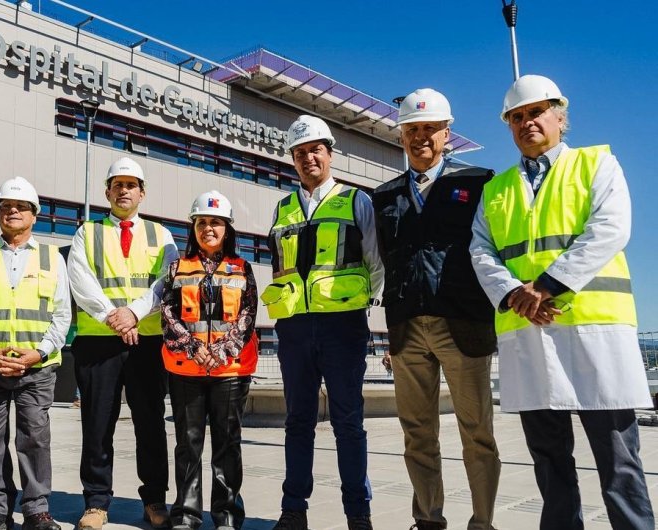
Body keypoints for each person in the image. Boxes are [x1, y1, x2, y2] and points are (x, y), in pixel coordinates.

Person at [470, 74, 655, 529]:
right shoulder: (496, 189)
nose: (526, 123)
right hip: (529, 335)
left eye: (535, 112)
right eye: (516, 117)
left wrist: (545, 286)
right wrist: (513, 293)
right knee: (549, 463)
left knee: (619, 461)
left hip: (595, 332)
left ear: (559, 116)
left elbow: (610, 229)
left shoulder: (597, 164)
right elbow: (481, 250)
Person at [372, 89, 500, 530]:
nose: (421, 136)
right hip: (407, 327)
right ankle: (428, 519)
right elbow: (382, 259)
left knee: (477, 432)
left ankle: (482, 522)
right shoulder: (384, 196)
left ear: (448, 134)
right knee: (418, 434)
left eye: (431, 128)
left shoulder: (479, 184)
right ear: (401, 136)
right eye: (412, 129)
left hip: (463, 324)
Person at [262, 115, 384, 530]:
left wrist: (363, 305)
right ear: (292, 159)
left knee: (348, 422)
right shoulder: (282, 207)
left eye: (315, 150)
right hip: (295, 328)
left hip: (343, 327)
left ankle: (358, 514)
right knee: (298, 422)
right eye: (299, 152)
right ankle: (293, 510)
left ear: (330, 153)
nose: (308, 158)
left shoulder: (355, 200)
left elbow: (375, 261)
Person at [67, 157, 180, 530]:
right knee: (97, 425)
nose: (124, 190)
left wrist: (133, 313)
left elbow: (166, 281)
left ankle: (154, 499)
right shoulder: (88, 233)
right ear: (107, 192)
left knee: (150, 424)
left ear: (142, 193)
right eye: (117, 184)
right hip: (99, 342)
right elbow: (80, 279)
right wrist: (112, 317)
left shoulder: (161, 235)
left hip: (147, 341)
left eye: (131, 185)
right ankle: (96, 503)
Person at [0, 176, 70, 530]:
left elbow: (63, 315)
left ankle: (36, 510)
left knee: (34, 439)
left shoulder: (52, 258)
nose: (13, 212)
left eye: (21, 207)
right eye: (6, 206)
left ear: (34, 215)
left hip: (37, 369)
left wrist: (40, 352)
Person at [161, 191, 259, 530]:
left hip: (229, 371)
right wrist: (193, 347)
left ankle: (227, 515)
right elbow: (168, 314)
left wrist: (220, 351)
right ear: (193, 228)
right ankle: (186, 515)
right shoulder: (177, 268)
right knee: (188, 445)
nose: (208, 228)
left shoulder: (242, 269)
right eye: (201, 222)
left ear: (227, 228)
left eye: (215, 222)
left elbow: (248, 315)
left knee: (227, 444)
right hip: (186, 370)